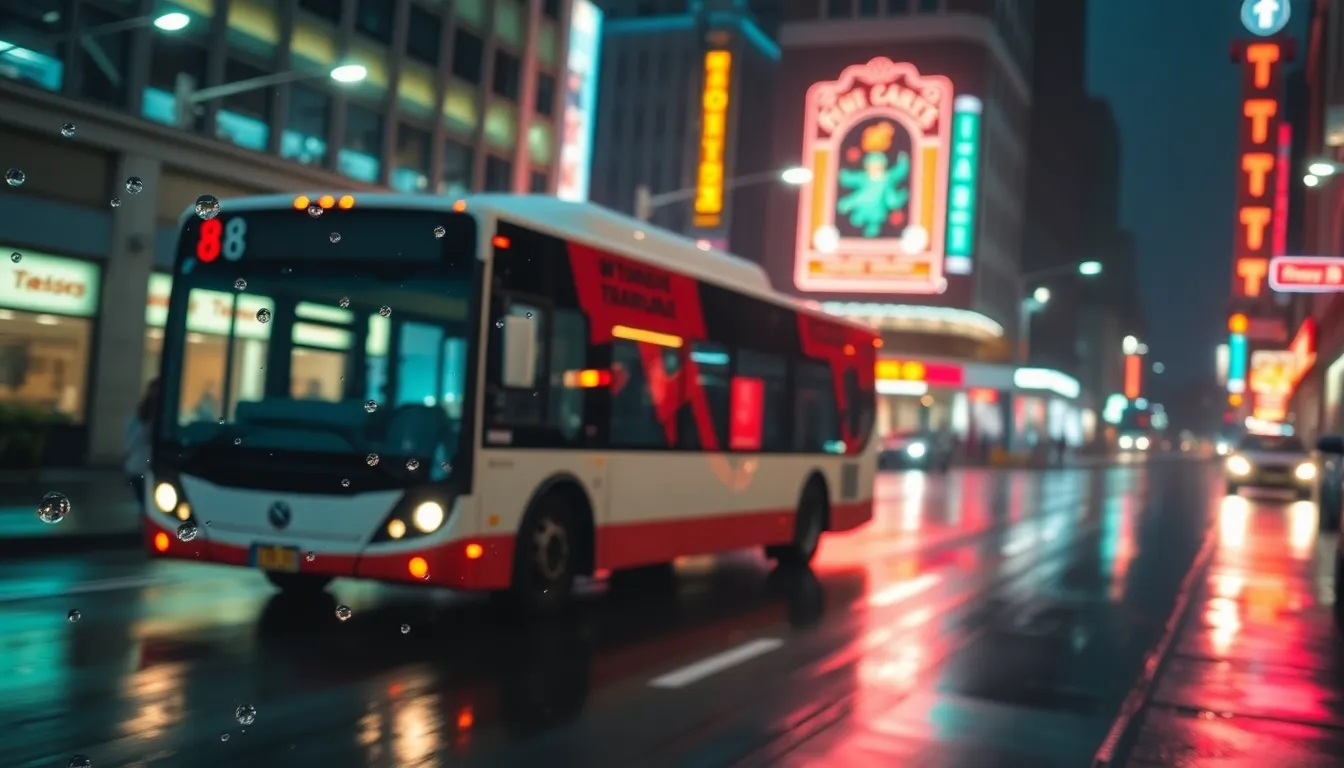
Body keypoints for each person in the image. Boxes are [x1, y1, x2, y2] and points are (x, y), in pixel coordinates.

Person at [123, 379, 159, 509]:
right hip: (146, 467)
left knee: (145, 504)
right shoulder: (154, 418)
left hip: (136, 466)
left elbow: (128, 440)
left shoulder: (136, 416)